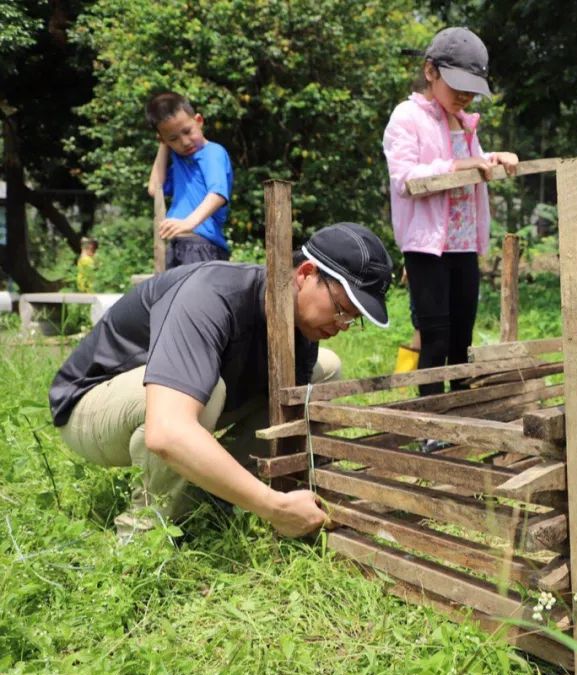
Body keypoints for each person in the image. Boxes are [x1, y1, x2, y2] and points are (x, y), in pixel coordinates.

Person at [49, 223, 393, 541]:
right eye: (342, 309)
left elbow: (289, 422)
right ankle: (143, 532)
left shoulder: (300, 323)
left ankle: (207, 499)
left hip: (185, 404)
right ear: (305, 274)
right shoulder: (210, 296)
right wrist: (274, 507)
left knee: (325, 370)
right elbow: (166, 430)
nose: (344, 324)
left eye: (354, 319)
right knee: (207, 391)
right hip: (91, 409)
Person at [383, 27, 518, 404]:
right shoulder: (407, 117)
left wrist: (494, 158)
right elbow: (406, 178)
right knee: (435, 335)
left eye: (472, 87)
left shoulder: (464, 122)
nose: (465, 94)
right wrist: (464, 164)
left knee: (462, 334)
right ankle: (432, 418)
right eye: (457, 84)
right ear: (431, 72)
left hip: (463, 246)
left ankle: (462, 411)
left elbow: (474, 166)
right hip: (427, 248)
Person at [145, 92, 234, 268]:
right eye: (173, 138)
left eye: (187, 131)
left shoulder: (213, 153)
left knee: (196, 296)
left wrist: (189, 222)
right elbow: (156, 189)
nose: (184, 142)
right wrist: (163, 146)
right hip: (178, 244)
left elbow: (217, 194)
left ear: (199, 121)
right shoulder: (180, 160)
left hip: (202, 245)